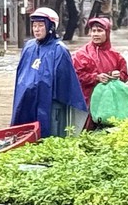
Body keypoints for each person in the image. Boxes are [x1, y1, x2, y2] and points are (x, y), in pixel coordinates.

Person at [10, 7, 87, 137]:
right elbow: (21, 76)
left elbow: (65, 84)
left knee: (48, 135)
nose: (36, 29)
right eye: (34, 25)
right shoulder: (28, 47)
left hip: (49, 104)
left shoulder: (59, 50)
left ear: (50, 27)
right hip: (26, 101)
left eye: (41, 25)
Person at [72, 17, 128, 129]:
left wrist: (118, 75)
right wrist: (95, 78)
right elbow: (75, 76)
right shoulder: (81, 54)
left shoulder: (116, 56)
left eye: (99, 31)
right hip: (86, 102)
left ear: (107, 33)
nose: (95, 34)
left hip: (109, 103)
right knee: (85, 132)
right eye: (93, 31)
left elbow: (125, 75)